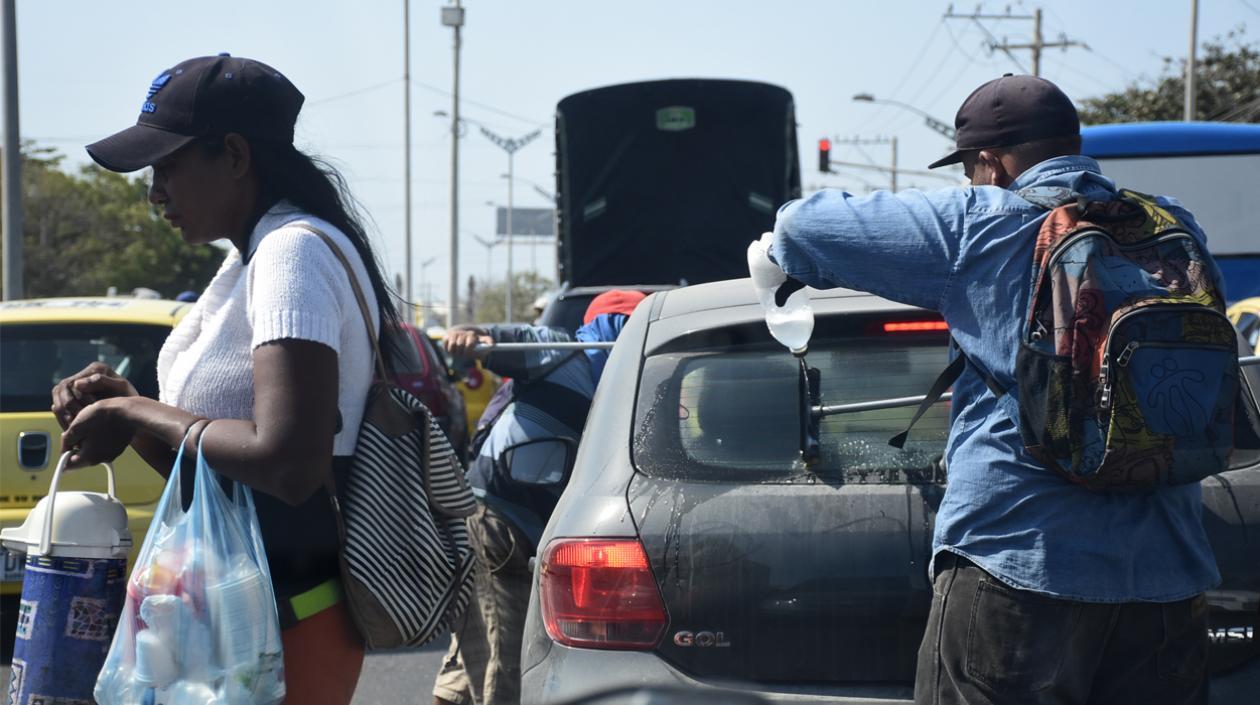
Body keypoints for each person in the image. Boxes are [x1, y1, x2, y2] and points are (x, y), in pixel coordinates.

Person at [762, 75, 1218, 705]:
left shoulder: (983, 223)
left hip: (1021, 562)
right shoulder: (1173, 225)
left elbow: (801, 227)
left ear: (989, 164)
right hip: (1169, 571)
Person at [53, 54, 404, 705]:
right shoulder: (250, 259)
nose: (156, 191)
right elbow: (219, 483)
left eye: (168, 165)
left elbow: (288, 461)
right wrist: (127, 408)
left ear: (236, 154)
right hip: (238, 612)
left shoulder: (292, 252)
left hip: (289, 616)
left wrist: (137, 415)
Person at [432, 289, 645, 705]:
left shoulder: (628, 396)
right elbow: (502, 341)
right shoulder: (563, 354)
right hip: (498, 524)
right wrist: (473, 335)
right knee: (505, 657)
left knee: (475, 650)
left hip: (527, 531)